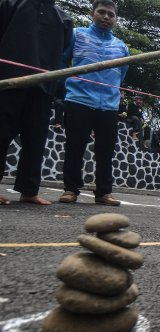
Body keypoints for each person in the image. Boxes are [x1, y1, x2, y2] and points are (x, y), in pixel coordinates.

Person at [0, 0, 72, 205]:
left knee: (35, 140)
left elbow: (64, 57)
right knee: (1, 133)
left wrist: (56, 85)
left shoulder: (64, 19)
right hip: (8, 83)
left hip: (43, 88)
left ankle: (29, 190)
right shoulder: (10, 5)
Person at [58, 0, 128, 206]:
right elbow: (63, 63)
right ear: (92, 13)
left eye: (111, 14)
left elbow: (121, 76)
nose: (106, 17)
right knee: (75, 147)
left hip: (108, 105)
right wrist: (69, 88)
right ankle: (70, 189)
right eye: (102, 12)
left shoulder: (121, 47)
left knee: (105, 151)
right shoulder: (77, 35)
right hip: (78, 100)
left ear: (115, 19)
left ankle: (103, 193)